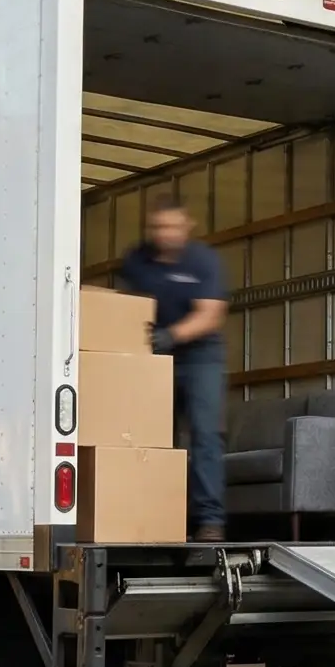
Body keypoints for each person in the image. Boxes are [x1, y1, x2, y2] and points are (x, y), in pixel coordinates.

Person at [116, 200, 230, 543]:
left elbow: (210, 315)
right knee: (154, 440)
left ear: (186, 226)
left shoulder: (203, 261)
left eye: (172, 227)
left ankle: (210, 521)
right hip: (153, 357)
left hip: (200, 358)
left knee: (205, 436)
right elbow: (125, 305)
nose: (165, 234)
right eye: (159, 228)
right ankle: (158, 519)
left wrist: (170, 335)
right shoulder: (136, 261)